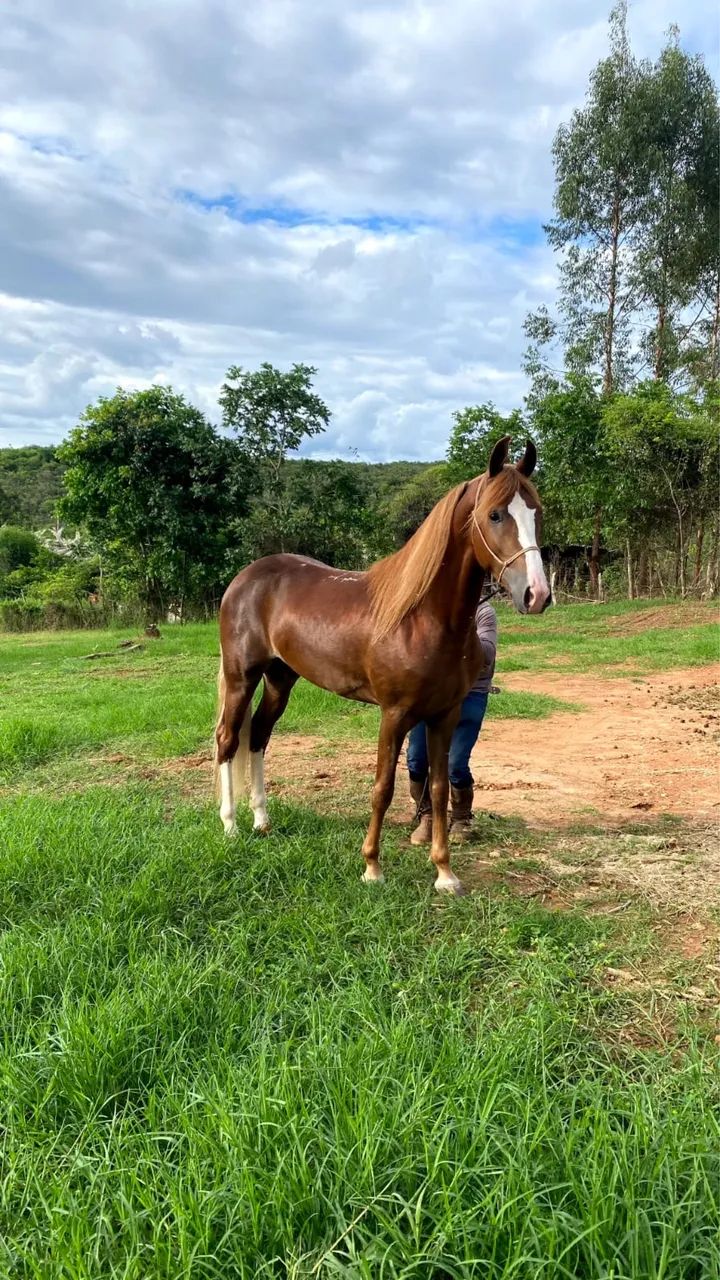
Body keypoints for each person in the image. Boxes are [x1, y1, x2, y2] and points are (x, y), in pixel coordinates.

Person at [406, 599, 497, 845]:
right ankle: (426, 815)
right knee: (416, 758)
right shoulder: (431, 609)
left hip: (470, 693)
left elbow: (487, 654)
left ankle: (461, 818)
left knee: (456, 763)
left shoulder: (483, 612)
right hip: (431, 695)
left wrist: (460, 628)